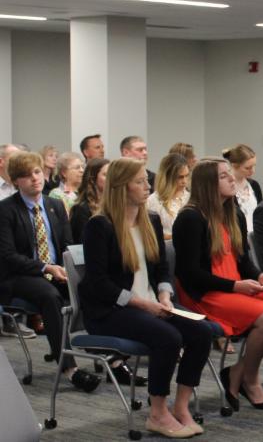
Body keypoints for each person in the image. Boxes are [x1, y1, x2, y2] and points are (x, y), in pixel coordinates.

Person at [80, 158, 212, 439]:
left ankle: (181, 405)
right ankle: (158, 412)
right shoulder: (99, 226)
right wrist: (143, 304)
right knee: (168, 337)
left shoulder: (150, 219)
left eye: (145, 180)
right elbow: (99, 283)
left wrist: (165, 294)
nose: (147, 186)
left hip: (151, 302)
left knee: (201, 333)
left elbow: (163, 268)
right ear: (121, 187)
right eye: (139, 181)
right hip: (111, 310)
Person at [172, 158, 263, 412]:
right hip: (204, 294)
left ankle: (238, 371)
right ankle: (251, 379)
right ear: (207, 185)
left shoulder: (233, 213)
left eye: (229, 174)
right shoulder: (190, 219)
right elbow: (190, 274)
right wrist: (236, 287)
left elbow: (243, 261)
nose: (232, 179)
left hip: (234, 287)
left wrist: (261, 278)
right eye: (224, 176)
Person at [0, 152, 101, 391]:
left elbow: (67, 244)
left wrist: (73, 270)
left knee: (95, 286)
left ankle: (109, 355)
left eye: (36, 172)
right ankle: (69, 368)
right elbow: (7, 256)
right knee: (50, 295)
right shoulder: (6, 210)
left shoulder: (54, 205)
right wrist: (46, 267)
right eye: (26, 176)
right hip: (19, 276)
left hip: (55, 271)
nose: (35, 179)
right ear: (16, 182)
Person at [146, 154, 190, 240]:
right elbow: (150, 234)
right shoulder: (152, 201)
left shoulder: (191, 197)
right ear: (167, 176)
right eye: (180, 177)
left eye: (187, 176)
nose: (184, 181)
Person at [222, 144, 261, 233]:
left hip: (255, 236)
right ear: (234, 165)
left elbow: (260, 212)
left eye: (254, 166)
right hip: (237, 235)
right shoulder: (226, 187)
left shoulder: (254, 185)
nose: (253, 171)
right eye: (247, 168)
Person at [70, 158, 110, 243]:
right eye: (106, 175)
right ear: (93, 179)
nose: (111, 178)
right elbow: (81, 243)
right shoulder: (81, 209)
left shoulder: (113, 205)